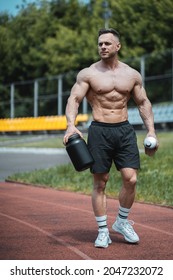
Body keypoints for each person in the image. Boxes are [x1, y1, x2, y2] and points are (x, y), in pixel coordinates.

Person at [63, 28, 158, 248]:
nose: (102, 47)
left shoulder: (132, 74)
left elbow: (143, 103)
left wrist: (151, 131)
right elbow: (74, 99)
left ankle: (122, 222)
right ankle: (103, 230)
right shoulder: (88, 74)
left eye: (107, 43)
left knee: (130, 179)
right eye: (100, 44)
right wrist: (70, 126)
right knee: (100, 182)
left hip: (124, 130)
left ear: (118, 46)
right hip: (99, 131)